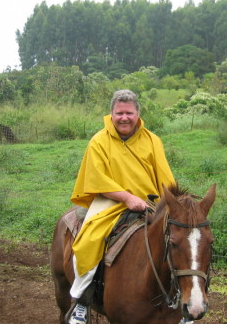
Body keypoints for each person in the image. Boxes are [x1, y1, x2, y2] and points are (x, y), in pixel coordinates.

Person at [67, 89, 176, 324]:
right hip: (110, 200)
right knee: (88, 241)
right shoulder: (99, 141)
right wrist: (126, 198)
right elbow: (96, 179)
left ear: (137, 114)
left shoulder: (152, 140)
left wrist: (172, 203)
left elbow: (165, 177)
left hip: (149, 201)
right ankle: (81, 302)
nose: (124, 118)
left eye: (129, 113)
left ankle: (181, 303)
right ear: (111, 114)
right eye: (119, 113)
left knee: (180, 241)